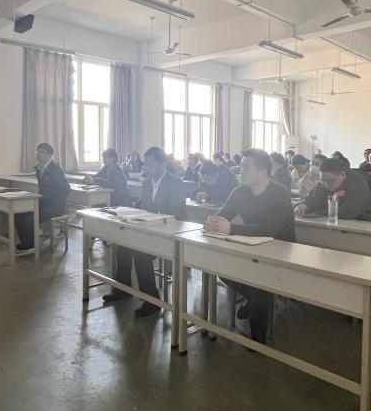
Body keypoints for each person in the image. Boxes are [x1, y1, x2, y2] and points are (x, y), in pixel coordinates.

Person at [204, 149, 295, 343]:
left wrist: (230, 228)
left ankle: (258, 336)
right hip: (251, 246)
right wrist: (212, 222)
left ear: (262, 172)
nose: (240, 170)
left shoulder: (280, 193)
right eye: (241, 166)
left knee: (259, 282)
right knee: (223, 269)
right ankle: (254, 300)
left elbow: (271, 230)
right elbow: (223, 216)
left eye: (246, 167)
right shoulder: (240, 191)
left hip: (280, 250)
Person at [104, 146, 188, 316]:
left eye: (149, 165)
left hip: (169, 234)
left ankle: (152, 300)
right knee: (123, 246)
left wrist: (155, 219)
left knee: (140, 254)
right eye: (145, 165)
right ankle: (123, 288)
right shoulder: (147, 183)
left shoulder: (175, 183)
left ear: (162, 164)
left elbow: (178, 215)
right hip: (149, 231)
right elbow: (145, 209)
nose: (146, 169)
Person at [16, 142, 70, 250]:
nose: (38, 154)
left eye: (42, 152)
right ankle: (27, 241)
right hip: (43, 203)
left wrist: (52, 201)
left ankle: (29, 244)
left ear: (49, 155)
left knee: (30, 220)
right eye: (37, 151)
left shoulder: (56, 170)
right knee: (18, 214)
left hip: (55, 206)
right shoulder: (39, 168)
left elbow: (66, 189)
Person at [294, 158, 371, 221]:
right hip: (331, 222)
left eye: (331, 181)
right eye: (323, 180)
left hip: (362, 224)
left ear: (343, 174)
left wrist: (319, 212)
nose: (326, 185)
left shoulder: (357, 182)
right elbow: (311, 200)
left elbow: (348, 212)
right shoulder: (322, 184)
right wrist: (304, 206)